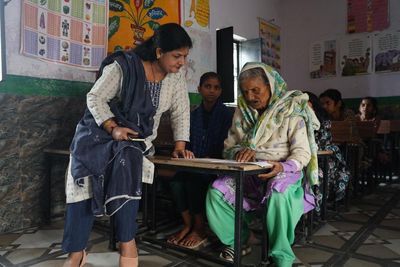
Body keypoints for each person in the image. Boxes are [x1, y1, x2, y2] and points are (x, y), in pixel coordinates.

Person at [62, 23, 194, 267]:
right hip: (98, 134)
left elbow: (181, 111)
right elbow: (95, 97)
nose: (182, 63)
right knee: (84, 175)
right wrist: (113, 128)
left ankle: (126, 242)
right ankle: (77, 253)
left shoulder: (175, 79)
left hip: (136, 142)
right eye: (177, 56)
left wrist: (179, 144)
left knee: (128, 158)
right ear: (158, 52)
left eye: (185, 56)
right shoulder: (123, 66)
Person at [205, 62, 320, 266]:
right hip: (251, 173)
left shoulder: (291, 109)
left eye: (256, 90)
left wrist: (282, 167)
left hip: (283, 169)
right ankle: (239, 239)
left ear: (271, 86)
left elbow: (303, 152)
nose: (250, 97)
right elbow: (229, 146)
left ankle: (281, 255)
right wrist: (240, 152)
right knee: (217, 191)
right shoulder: (243, 112)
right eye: (245, 91)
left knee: (279, 193)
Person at [167, 72, 233, 249]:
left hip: (218, 167)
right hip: (194, 165)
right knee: (176, 182)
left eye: (216, 87)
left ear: (221, 91)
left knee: (193, 181)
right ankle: (188, 224)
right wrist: (185, 152)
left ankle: (199, 228)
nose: (212, 91)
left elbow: (230, 146)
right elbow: (185, 143)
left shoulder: (227, 115)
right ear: (199, 89)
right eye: (207, 86)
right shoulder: (193, 115)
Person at [306, 92, 350, 204]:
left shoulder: (323, 120)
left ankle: (315, 207)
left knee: (317, 172)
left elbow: (320, 144)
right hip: (307, 156)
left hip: (324, 157)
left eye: (305, 103)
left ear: (313, 105)